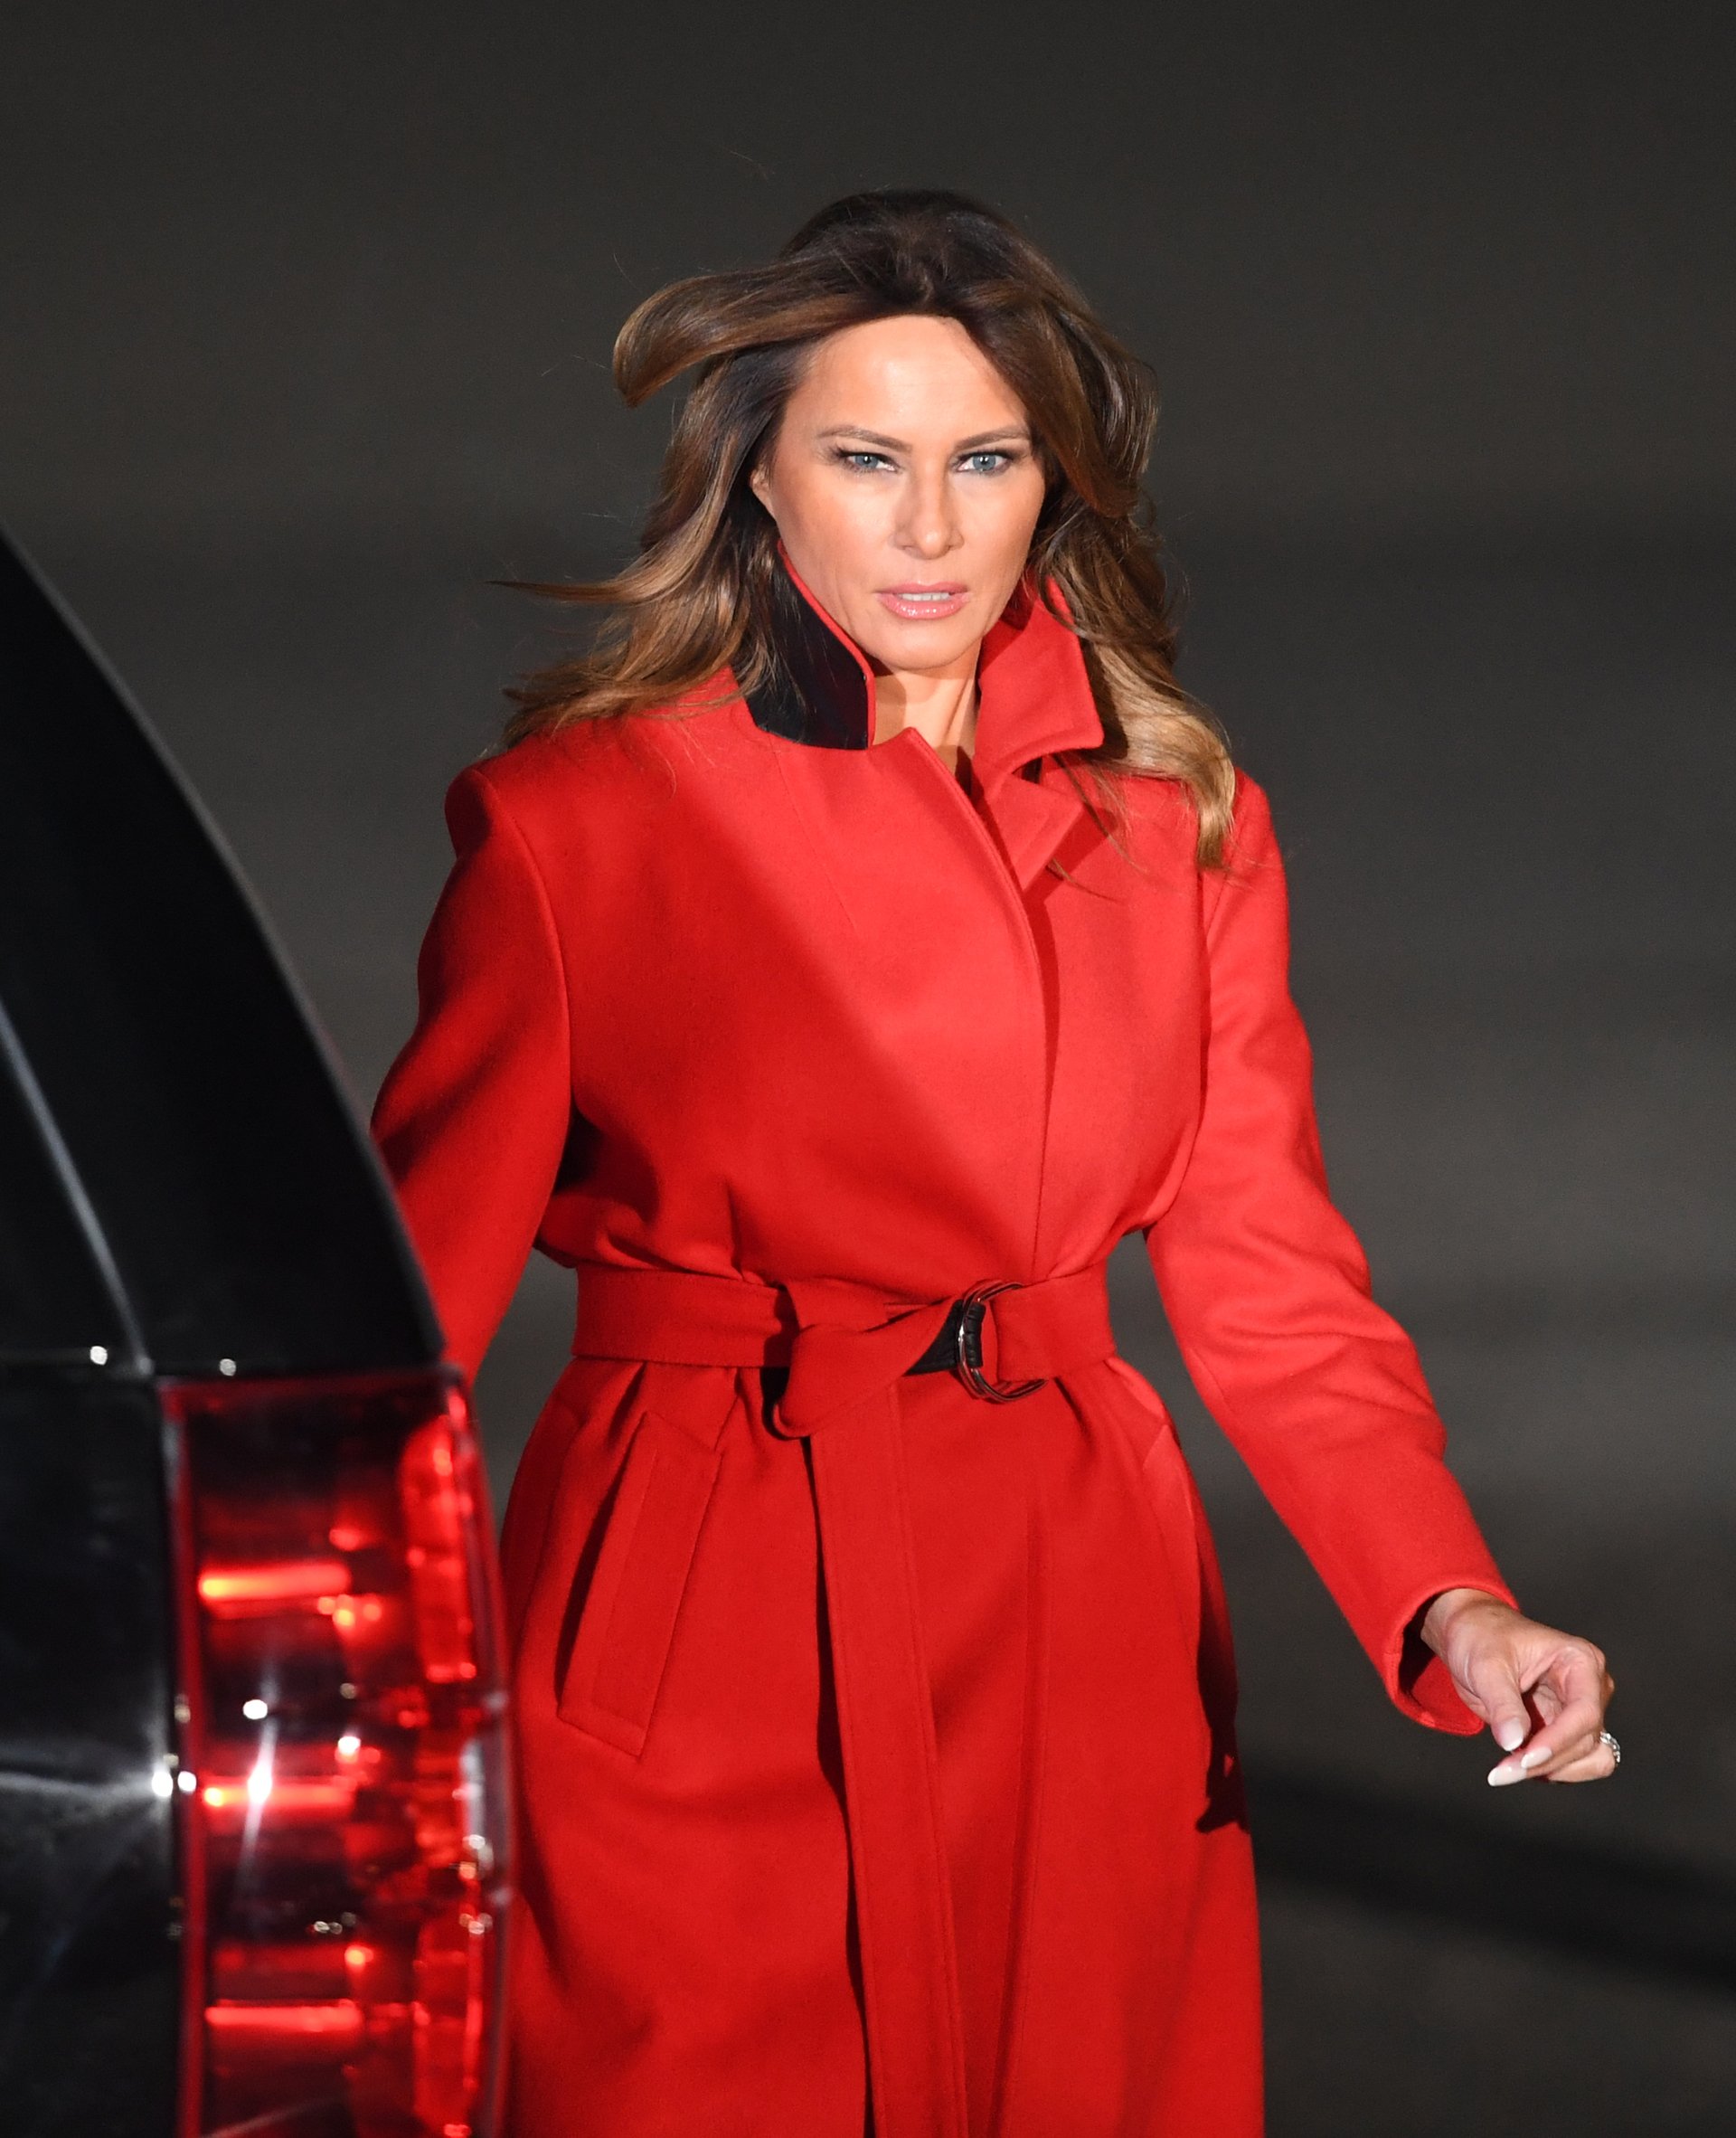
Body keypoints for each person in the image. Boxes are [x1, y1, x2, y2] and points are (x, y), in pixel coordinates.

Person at [371, 189, 1617, 2138]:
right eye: (866, 461)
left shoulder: (1177, 818)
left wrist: (1449, 1602)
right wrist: (282, 1676)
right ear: (758, 481)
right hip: (696, 1607)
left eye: (986, 461)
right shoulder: (576, 830)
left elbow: (1266, 1267)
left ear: (1058, 485)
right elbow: (395, 1326)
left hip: (1075, 1611)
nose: (933, 529)